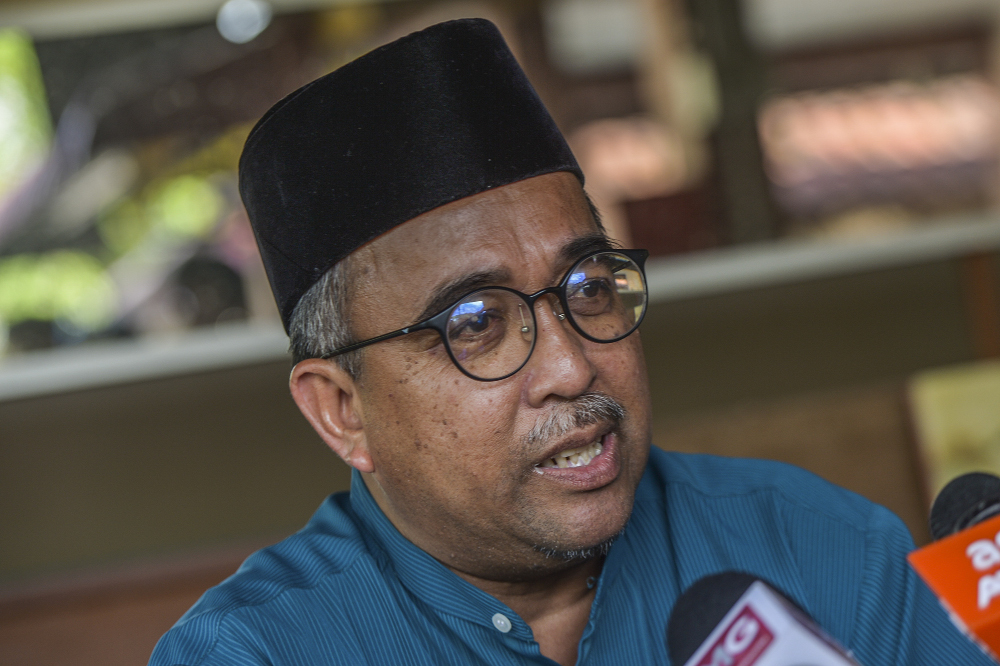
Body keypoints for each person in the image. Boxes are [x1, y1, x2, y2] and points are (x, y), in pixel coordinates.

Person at [150, 18, 991, 666]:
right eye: (475, 324)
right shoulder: (256, 653)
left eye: (588, 288)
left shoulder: (825, 549)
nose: (572, 364)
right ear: (341, 411)